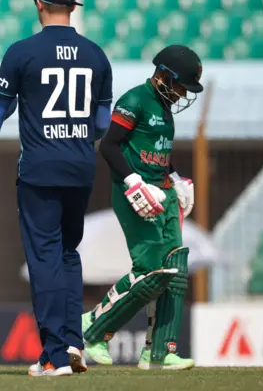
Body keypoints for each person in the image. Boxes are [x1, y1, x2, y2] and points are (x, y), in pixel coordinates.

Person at [0, 0, 113, 376]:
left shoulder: (21, 52)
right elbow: (101, 121)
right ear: (71, 7)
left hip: (39, 169)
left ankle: (53, 354)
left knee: (44, 258)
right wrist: (79, 136)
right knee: (69, 255)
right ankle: (72, 343)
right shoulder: (96, 55)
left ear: (38, 5)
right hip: (81, 166)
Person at [81, 44, 201, 371]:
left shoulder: (163, 107)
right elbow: (108, 146)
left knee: (174, 268)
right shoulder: (134, 100)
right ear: (164, 75)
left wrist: (175, 177)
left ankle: (160, 351)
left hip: (163, 191)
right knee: (149, 269)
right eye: (179, 85)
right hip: (134, 193)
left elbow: (156, 150)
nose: (181, 94)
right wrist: (133, 182)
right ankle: (93, 328)